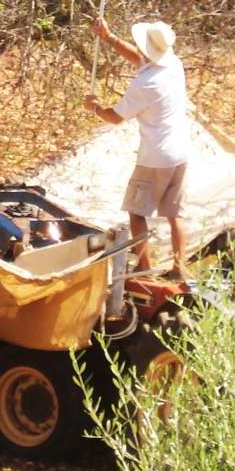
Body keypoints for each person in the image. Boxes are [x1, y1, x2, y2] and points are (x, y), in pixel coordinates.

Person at [83, 18, 191, 279]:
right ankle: (180, 269)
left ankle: (144, 271)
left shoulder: (145, 85)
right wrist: (109, 38)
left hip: (155, 156)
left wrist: (94, 107)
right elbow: (140, 59)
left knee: (136, 212)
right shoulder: (173, 64)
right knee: (175, 214)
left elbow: (115, 117)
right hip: (180, 152)